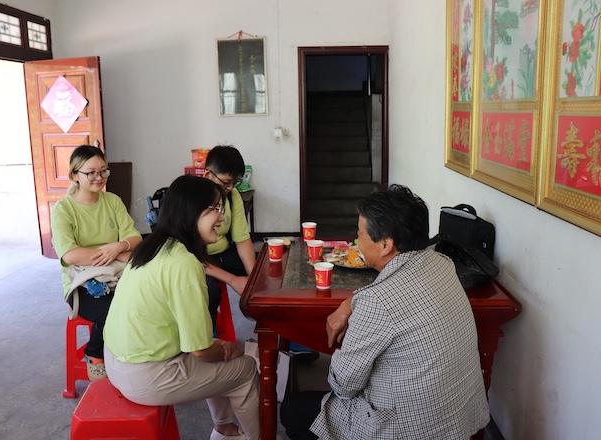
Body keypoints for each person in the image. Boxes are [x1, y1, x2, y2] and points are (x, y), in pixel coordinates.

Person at [280, 184, 490, 439]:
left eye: (360, 235)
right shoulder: (442, 263)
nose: (357, 242)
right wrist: (350, 302)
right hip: (457, 419)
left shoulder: (376, 303)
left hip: (403, 430)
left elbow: (343, 386)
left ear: (385, 245)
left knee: (292, 409)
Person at [103, 175, 261, 440]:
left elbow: (196, 343)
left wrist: (216, 347)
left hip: (117, 361)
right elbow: (200, 351)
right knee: (244, 368)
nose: (222, 217)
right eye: (215, 209)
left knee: (218, 351)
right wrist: (227, 349)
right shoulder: (184, 262)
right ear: (190, 212)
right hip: (146, 376)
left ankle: (225, 429)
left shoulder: (152, 247)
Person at [51, 145, 142, 381]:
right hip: (82, 284)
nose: (99, 177)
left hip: (117, 275)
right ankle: (94, 353)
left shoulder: (112, 201)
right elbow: (70, 255)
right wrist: (115, 253)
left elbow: (134, 239)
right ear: (75, 175)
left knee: (145, 300)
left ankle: (130, 351)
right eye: (90, 172)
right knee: (114, 308)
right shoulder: (63, 209)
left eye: (103, 171)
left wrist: (120, 246)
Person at [202, 145, 255, 332]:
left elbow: (242, 239)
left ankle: (273, 333)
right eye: (226, 182)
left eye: (235, 182)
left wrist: (253, 280)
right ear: (208, 175)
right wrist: (232, 279)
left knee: (264, 277)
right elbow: (189, 256)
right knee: (208, 291)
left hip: (224, 253)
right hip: (197, 258)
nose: (230, 188)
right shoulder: (192, 199)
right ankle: (209, 337)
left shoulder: (232, 196)